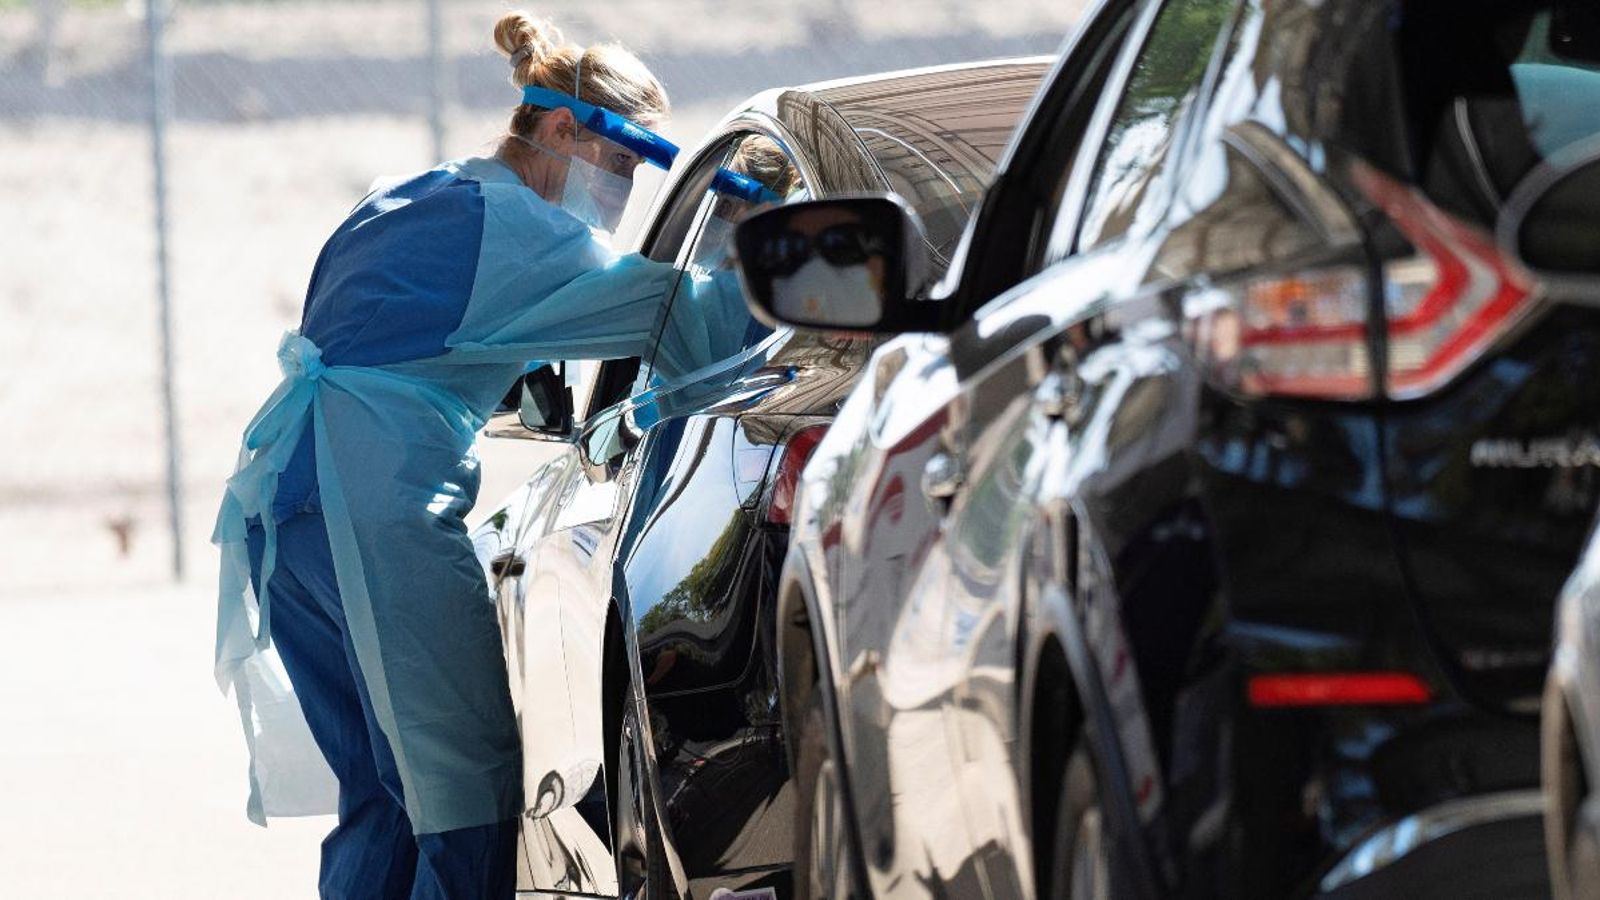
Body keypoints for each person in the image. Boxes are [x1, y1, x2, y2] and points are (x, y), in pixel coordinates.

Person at [211, 12, 704, 898]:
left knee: (382, 794)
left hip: (287, 510)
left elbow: (410, 336)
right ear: (562, 130)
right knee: (462, 788)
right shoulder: (527, 234)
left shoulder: (418, 191)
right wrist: (779, 259)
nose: (622, 187)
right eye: (623, 162)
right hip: (373, 511)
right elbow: (674, 313)